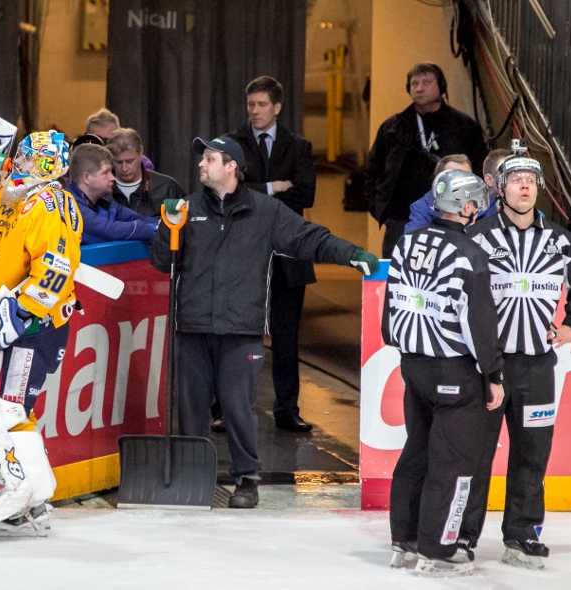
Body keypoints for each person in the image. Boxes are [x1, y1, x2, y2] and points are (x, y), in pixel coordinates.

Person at [149, 135, 379, 509]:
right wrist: (168, 229)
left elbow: (309, 238)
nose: (201, 164)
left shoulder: (264, 211)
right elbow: (163, 264)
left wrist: (351, 253)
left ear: (231, 167)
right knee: (191, 409)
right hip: (191, 327)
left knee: (238, 407)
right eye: (202, 158)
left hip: (241, 329)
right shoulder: (186, 209)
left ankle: (246, 479)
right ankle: (195, 476)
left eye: (209, 158)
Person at [0, 130, 81, 538]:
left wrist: (10, 315)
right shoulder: (15, 191)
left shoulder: (51, 204)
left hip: (32, 327)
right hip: (3, 318)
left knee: (3, 407)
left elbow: (55, 272)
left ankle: (20, 493)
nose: (16, 163)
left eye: (25, 158)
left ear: (45, 166)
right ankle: (35, 495)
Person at [383, 169, 504, 576]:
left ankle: (405, 539)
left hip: (414, 366)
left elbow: (391, 311)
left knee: (416, 451)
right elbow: (479, 325)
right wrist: (493, 374)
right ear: (466, 206)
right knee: (453, 463)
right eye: (476, 202)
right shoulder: (470, 255)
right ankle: (439, 549)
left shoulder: (407, 242)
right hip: (455, 370)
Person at [461, 145, 571, 569]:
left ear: (540, 188)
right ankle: (462, 535)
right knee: (476, 452)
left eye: (531, 180)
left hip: (537, 367)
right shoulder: (476, 237)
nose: (524, 186)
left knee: (532, 452)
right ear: (499, 188)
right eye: (516, 180)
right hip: (488, 367)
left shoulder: (562, 241)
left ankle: (522, 533)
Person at [227, 75, 317, 432]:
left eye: (262, 104)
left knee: (286, 336)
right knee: (235, 335)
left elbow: (304, 196)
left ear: (277, 107)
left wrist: (254, 193)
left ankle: (287, 410)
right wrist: (271, 186)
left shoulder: (299, 147)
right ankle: (230, 409)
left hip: (288, 255)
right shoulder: (232, 143)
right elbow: (228, 190)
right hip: (244, 255)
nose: (255, 111)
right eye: (251, 104)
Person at [365, 63, 487, 258]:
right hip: (400, 221)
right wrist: (381, 210)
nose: (419, 88)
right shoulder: (392, 128)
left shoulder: (464, 127)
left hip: (453, 219)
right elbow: (372, 170)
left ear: (442, 87)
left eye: (426, 82)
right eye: (414, 84)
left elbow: (480, 172)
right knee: (398, 278)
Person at [66, 143, 157, 244]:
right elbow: (108, 231)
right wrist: (148, 229)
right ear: (86, 178)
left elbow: (137, 218)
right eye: (106, 172)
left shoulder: (105, 200)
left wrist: (159, 224)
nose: (113, 178)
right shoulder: (67, 205)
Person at [405, 150, 510, 233]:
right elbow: (413, 242)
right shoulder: (422, 207)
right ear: (440, 181)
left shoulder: (489, 203)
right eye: (455, 177)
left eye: (467, 177)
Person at [106, 128, 185, 217]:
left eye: (130, 161)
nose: (124, 168)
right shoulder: (101, 190)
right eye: (118, 162)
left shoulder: (167, 187)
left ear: (141, 153)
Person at [85, 107, 155, 170]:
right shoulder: (81, 162)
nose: (102, 146)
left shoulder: (141, 164)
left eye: (107, 141)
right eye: (97, 140)